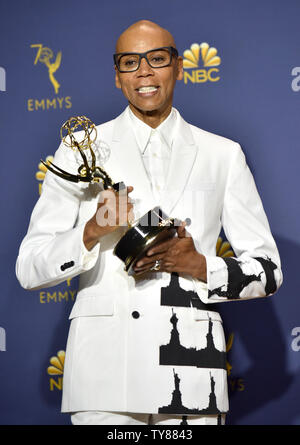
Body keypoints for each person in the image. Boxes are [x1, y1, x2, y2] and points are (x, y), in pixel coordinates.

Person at [16, 20, 283, 426]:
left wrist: (199, 265)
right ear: (117, 76)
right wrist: (91, 232)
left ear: (178, 66)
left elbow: (268, 272)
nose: (144, 72)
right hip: (105, 378)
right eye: (130, 62)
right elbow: (29, 268)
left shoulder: (223, 154)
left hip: (192, 375)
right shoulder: (80, 149)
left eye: (157, 59)